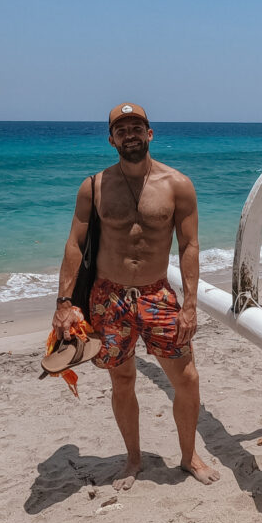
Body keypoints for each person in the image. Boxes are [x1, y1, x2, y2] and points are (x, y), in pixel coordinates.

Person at [52, 102, 221, 489]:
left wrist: (190, 303)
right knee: (122, 381)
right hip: (106, 300)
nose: (130, 133)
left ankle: (189, 455)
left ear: (150, 133)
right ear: (111, 139)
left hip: (157, 296)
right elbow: (74, 245)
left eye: (136, 126)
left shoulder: (178, 185)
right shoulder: (93, 186)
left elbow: (190, 246)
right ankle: (132, 459)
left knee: (187, 379)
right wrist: (64, 303)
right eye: (121, 128)